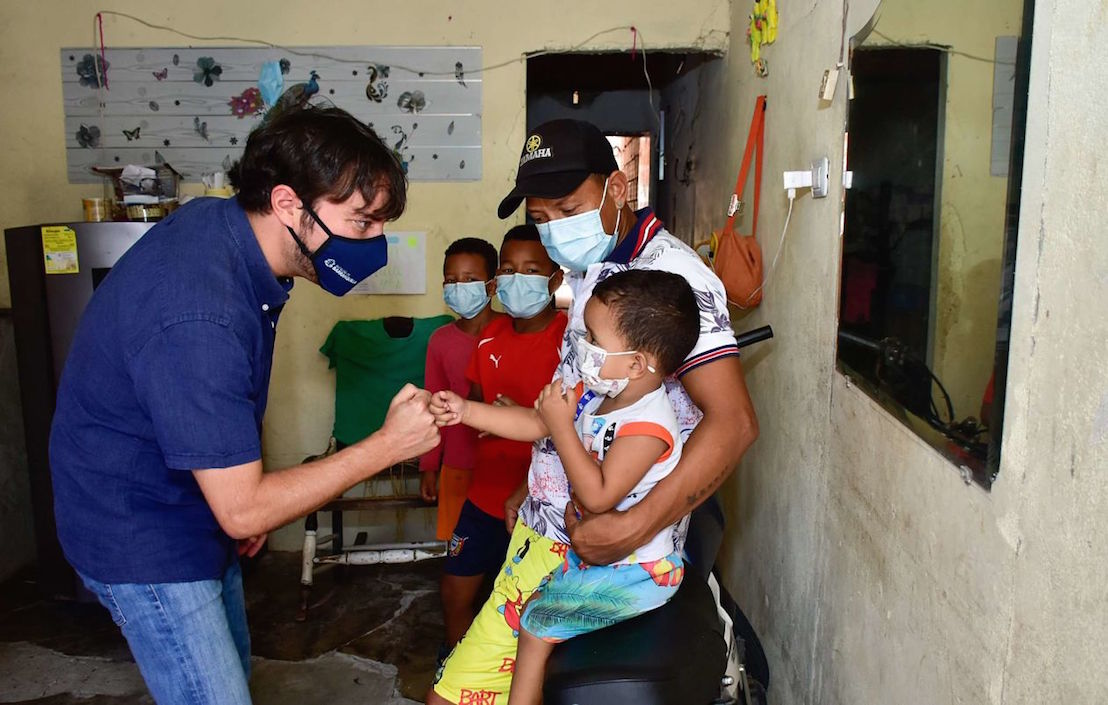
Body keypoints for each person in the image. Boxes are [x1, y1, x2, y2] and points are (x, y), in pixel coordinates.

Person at [48, 106, 440, 705]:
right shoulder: (199, 314)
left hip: (196, 504)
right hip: (140, 531)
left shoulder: (225, 227)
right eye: (361, 224)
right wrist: (385, 446)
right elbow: (243, 510)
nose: (375, 245)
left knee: (232, 677)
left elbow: (230, 466)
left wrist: (239, 499)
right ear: (288, 205)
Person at [427, 118, 758, 705]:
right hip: (548, 526)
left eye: (567, 207)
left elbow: (733, 422)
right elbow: (568, 404)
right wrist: (536, 480)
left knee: (455, 695)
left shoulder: (673, 280)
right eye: (542, 216)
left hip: (604, 543)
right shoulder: (591, 268)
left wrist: (634, 523)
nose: (554, 229)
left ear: (617, 190)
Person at [433, 269, 699, 705]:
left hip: (639, 572)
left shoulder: (649, 426)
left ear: (636, 363)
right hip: (596, 555)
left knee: (536, 624)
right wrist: (466, 410)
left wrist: (561, 428)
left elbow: (597, 495)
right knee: (531, 610)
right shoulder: (598, 393)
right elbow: (535, 421)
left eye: (593, 338)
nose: (580, 346)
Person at [438, 224, 567, 655]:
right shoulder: (488, 337)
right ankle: (457, 674)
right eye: (508, 270)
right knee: (456, 593)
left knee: (528, 610)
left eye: (531, 270)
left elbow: (577, 423)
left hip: (537, 501)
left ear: (556, 279)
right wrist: (485, 414)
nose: (517, 280)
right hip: (484, 494)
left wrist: (524, 417)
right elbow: (476, 406)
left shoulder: (570, 340)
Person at [421, 237, 502, 543]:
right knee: (461, 553)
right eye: (451, 280)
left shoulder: (510, 333)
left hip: (507, 466)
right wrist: (430, 466)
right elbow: (434, 406)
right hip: (456, 464)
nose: (459, 287)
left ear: (491, 287)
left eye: (470, 280)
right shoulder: (440, 341)